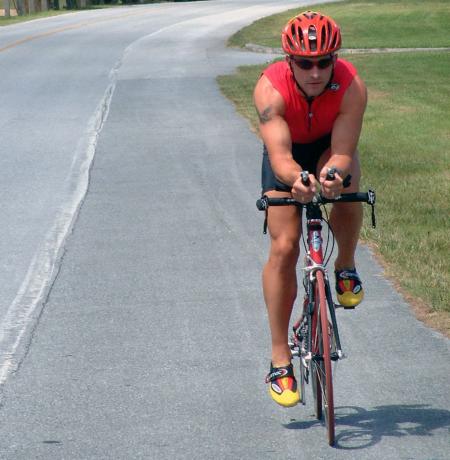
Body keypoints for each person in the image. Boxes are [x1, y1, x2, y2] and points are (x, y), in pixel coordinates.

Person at [253, 11, 367, 407]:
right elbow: (281, 156)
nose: (315, 72)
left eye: (324, 61)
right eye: (305, 63)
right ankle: (279, 357)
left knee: (348, 184)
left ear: (335, 58)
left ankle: (345, 266)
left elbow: (341, 151)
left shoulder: (351, 86)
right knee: (284, 246)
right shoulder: (270, 90)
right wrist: (296, 180)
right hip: (287, 155)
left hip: (327, 148)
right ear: (290, 61)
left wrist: (333, 175)